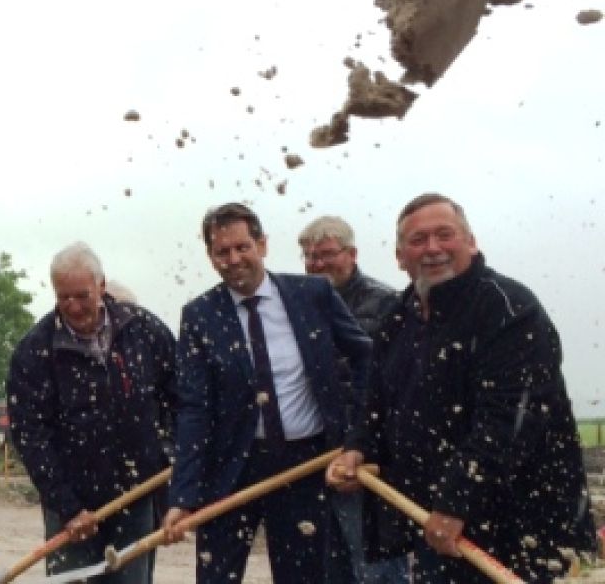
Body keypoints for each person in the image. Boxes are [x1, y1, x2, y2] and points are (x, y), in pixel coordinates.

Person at [327, 193, 598, 583]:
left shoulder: (508, 309)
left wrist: (456, 503)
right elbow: (377, 401)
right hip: (434, 521)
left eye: (445, 235)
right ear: (400, 256)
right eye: (418, 240)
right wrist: (358, 447)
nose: (433, 248)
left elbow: (510, 420)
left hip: (520, 520)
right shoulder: (397, 318)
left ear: (470, 243)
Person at [162, 203, 371, 584]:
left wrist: (357, 435)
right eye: (222, 252)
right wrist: (182, 495)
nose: (233, 259)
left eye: (242, 247)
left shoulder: (313, 294)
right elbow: (194, 409)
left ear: (262, 244)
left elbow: (366, 359)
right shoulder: (200, 315)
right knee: (216, 573)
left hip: (305, 461)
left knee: (303, 575)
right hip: (230, 466)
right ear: (211, 257)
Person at [8, 242, 177, 583]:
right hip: (72, 503)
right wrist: (67, 506)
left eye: (82, 296)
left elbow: (180, 398)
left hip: (137, 493)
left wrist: (170, 455)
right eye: (63, 297)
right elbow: (30, 435)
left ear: (101, 286)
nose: (73, 306)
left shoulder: (143, 331)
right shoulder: (35, 350)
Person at [299, 215, 407, 584]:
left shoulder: (387, 304)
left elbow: (397, 386)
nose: (319, 264)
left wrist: (366, 446)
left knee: (374, 565)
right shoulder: (301, 308)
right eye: (311, 257)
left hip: (366, 458)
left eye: (327, 254)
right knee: (330, 566)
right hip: (316, 454)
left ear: (352, 254)